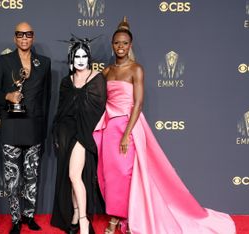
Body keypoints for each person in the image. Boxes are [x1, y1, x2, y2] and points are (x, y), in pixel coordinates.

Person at [93, 17, 236, 234]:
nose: (120, 47)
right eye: (116, 43)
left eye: (124, 43)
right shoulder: (106, 72)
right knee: (111, 177)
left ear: (130, 46)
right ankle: (117, 217)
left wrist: (126, 134)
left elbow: (138, 103)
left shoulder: (136, 69)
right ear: (112, 45)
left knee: (127, 175)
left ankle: (128, 218)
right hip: (110, 128)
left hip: (129, 127)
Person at [0, 22, 51, 234]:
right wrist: (7, 96)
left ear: (33, 37)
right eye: (20, 34)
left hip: (34, 127)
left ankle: (29, 216)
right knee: (12, 178)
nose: (24, 38)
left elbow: (46, 100)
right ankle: (15, 219)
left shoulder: (44, 63)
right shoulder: (3, 61)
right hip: (12, 126)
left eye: (28, 34)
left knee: (32, 176)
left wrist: (44, 130)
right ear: (15, 38)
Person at [51, 37, 106, 234]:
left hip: (85, 133)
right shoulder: (67, 81)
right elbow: (61, 109)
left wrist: (86, 132)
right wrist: (57, 132)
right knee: (71, 176)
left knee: (75, 175)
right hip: (67, 132)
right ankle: (74, 213)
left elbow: (98, 109)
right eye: (77, 56)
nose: (81, 60)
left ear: (88, 58)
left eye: (84, 56)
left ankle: (83, 221)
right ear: (71, 59)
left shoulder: (97, 78)